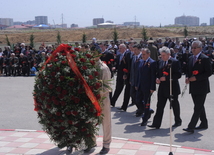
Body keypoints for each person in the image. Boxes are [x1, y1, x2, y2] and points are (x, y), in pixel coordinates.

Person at [83, 46, 112, 154]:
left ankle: (106, 144)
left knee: (106, 122)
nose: (92, 55)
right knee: (90, 121)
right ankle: (91, 142)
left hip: (102, 99)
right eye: (91, 53)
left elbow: (107, 87)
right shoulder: (89, 67)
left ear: (99, 54)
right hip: (91, 99)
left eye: (94, 53)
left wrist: (96, 92)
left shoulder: (104, 68)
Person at [148, 46, 182, 129]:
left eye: (164, 55)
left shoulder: (174, 62)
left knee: (174, 105)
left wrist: (167, 78)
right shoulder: (160, 62)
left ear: (168, 54)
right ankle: (156, 123)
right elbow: (157, 73)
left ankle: (178, 120)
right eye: (161, 55)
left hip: (172, 87)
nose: (162, 57)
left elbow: (178, 74)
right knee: (159, 105)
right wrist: (157, 78)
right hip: (162, 88)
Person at [183, 41, 212, 133]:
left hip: (202, 86)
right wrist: (187, 77)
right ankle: (204, 123)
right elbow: (188, 70)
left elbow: (209, 72)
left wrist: (197, 78)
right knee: (199, 106)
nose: (193, 49)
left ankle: (191, 126)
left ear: (200, 48)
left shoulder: (205, 58)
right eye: (192, 47)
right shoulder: (191, 58)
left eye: (195, 47)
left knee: (197, 107)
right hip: (193, 87)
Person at [136, 48, 156, 126]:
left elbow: (153, 76)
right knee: (137, 100)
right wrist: (137, 84)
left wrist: (152, 87)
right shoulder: (140, 62)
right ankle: (148, 111)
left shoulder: (152, 63)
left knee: (146, 102)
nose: (142, 56)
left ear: (148, 54)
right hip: (140, 85)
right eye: (142, 54)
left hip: (148, 86)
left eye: (144, 54)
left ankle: (145, 119)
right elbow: (138, 74)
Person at [111, 43, 132, 112]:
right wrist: (115, 67)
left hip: (125, 75)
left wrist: (126, 74)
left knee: (127, 91)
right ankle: (112, 102)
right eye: (119, 48)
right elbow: (118, 63)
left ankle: (124, 106)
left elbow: (129, 65)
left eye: (120, 48)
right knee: (118, 88)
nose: (119, 50)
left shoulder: (128, 54)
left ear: (124, 48)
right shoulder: (119, 55)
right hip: (120, 74)